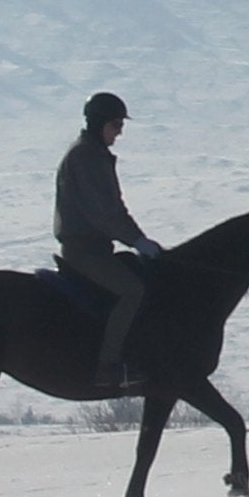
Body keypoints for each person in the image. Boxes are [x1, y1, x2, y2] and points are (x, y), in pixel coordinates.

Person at [57, 92, 165, 390]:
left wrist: (141, 241)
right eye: (116, 124)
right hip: (84, 251)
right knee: (132, 291)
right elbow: (103, 214)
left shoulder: (96, 155)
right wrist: (137, 242)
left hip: (100, 248)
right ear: (98, 123)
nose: (120, 131)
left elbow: (118, 210)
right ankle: (108, 367)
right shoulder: (84, 156)